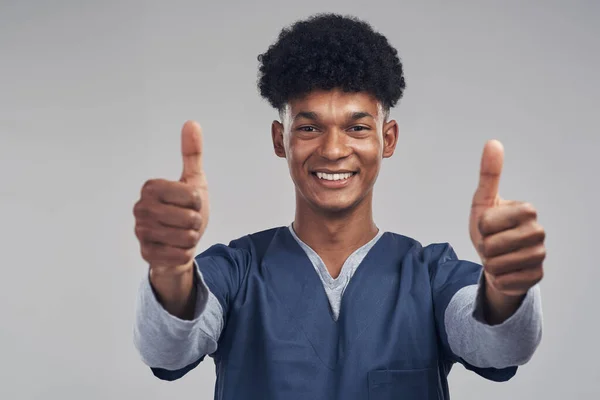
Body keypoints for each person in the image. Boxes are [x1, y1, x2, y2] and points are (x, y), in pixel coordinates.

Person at [132, 13, 545, 400]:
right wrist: (169, 271)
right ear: (281, 140)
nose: (333, 149)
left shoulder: (431, 276)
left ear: (389, 139)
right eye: (309, 128)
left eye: (357, 128)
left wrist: (508, 288)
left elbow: (498, 347)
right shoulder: (235, 271)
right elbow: (167, 351)